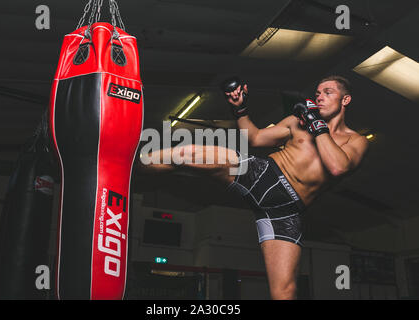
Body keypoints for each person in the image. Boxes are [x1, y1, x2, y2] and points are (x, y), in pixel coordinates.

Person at [139, 75, 369, 299]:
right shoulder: (295, 122)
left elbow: (338, 167)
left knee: (284, 292)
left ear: (345, 100)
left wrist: (315, 123)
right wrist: (240, 110)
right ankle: (129, 163)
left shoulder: (355, 141)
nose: (320, 98)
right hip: (263, 175)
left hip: (287, 210)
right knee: (185, 154)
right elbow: (256, 138)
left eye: (328, 93)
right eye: (318, 93)